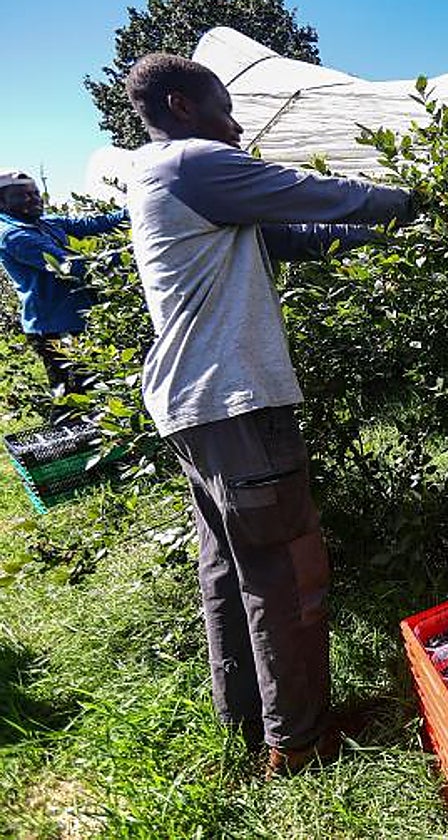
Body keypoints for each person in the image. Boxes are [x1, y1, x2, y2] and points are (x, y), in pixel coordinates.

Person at [122, 52, 421, 778]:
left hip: (194, 405)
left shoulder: (173, 183)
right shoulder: (192, 162)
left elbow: (296, 233)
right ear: (183, 105)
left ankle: (249, 717)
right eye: (225, 106)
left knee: (230, 564)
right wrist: (406, 201)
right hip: (237, 401)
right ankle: (301, 742)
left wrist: (379, 234)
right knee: (287, 568)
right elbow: (308, 192)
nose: (238, 121)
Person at [0, 171, 127, 398]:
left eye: (35, 193)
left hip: (75, 318)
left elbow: (96, 224)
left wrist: (140, 207)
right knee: (72, 395)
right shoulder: (13, 235)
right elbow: (71, 267)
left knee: (93, 385)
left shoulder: (44, 223)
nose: (35, 199)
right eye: (24, 195)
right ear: (2, 202)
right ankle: (66, 431)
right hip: (54, 328)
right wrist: (137, 251)